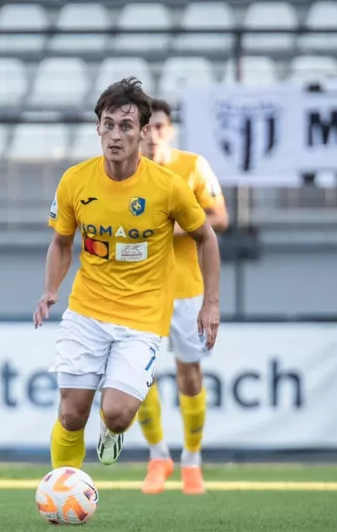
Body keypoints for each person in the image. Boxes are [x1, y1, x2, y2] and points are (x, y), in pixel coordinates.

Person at [34, 77, 222, 472]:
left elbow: (207, 236)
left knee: (117, 413)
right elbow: (61, 243)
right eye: (107, 124)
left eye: (126, 126)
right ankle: (62, 490)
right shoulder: (75, 181)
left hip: (142, 318)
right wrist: (50, 290)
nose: (115, 134)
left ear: (142, 133)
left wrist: (211, 304)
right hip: (87, 311)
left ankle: (119, 431)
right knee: (70, 414)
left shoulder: (168, 187)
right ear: (98, 128)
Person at [134, 99, 228, 496]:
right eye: (147, 128)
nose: (153, 135)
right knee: (138, 375)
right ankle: (159, 456)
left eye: (160, 127)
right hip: (140, 290)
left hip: (187, 290)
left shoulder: (193, 166)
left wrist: (167, 227)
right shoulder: (126, 172)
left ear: (169, 130)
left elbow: (220, 218)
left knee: (189, 374)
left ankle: (192, 460)